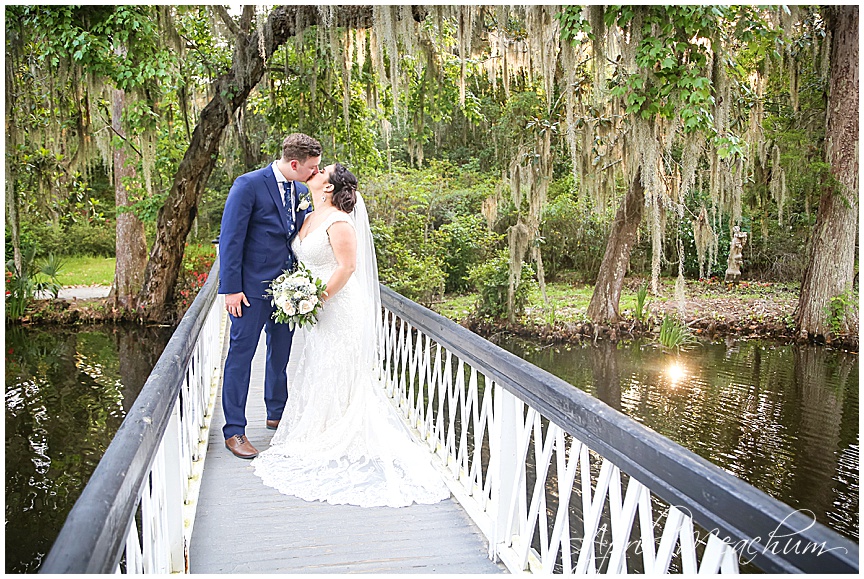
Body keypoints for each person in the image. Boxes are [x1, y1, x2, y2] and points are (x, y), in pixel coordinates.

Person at [252, 163, 450, 507]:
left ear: (329, 187)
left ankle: (342, 433)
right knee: (320, 366)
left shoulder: (339, 221)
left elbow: (347, 267)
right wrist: (302, 297)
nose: (315, 171)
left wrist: (315, 299)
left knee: (338, 366)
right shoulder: (309, 216)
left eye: (322, 170)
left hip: (339, 307)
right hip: (318, 310)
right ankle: (320, 428)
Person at [218, 133, 322, 459]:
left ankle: (277, 413)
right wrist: (231, 288)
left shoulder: (301, 190)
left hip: (289, 290)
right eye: (312, 168)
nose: (316, 174)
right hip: (249, 291)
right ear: (294, 163)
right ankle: (234, 430)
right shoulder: (248, 185)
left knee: (280, 355)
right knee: (241, 357)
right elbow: (230, 239)